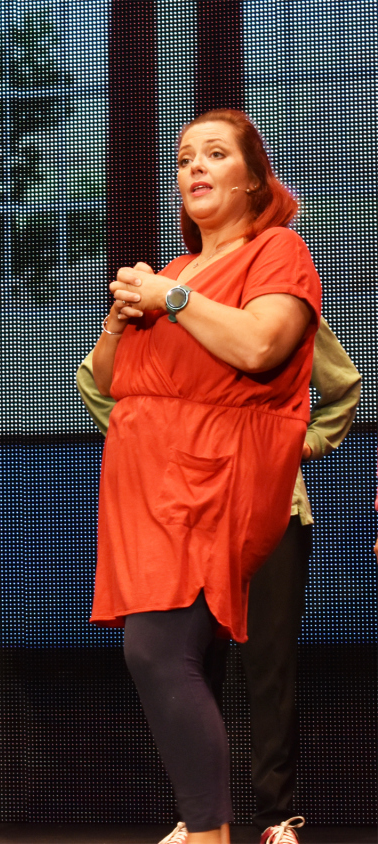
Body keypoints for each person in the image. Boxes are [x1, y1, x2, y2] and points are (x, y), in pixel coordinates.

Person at [86, 109, 323, 844]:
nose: (194, 166)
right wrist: (121, 319)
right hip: (150, 493)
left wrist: (175, 302)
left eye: (216, 154)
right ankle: (202, 825)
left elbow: (260, 347)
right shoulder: (173, 271)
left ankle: (211, 829)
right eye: (187, 155)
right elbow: (108, 379)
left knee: (161, 650)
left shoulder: (277, 251)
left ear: (254, 180)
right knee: (154, 652)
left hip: (213, 482)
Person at [77, 316, 360, 844]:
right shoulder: (172, 302)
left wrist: (301, 445)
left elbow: (342, 386)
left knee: (269, 668)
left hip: (270, 509)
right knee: (187, 664)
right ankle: (201, 817)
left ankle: (275, 817)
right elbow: (94, 378)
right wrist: (150, 440)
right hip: (186, 513)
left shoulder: (280, 305)